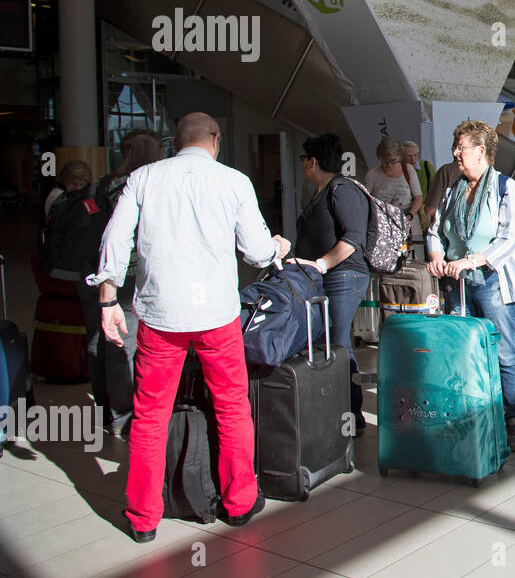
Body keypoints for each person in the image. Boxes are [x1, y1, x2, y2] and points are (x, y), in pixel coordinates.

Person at [88, 112, 290, 542]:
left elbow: (115, 240)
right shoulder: (234, 182)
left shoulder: (143, 178)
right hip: (217, 317)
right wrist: (277, 246)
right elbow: (256, 252)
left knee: (149, 415)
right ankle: (238, 503)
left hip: (160, 317)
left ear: (175, 141)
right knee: (232, 406)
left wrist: (108, 300)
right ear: (215, 139)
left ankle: (143, 518)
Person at [426, 121, 515, 451]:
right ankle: (470, 417)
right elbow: (434, 231)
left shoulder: (506, 187)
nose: (455, 153)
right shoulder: (451, 189)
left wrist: (470, 261)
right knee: (461, 354)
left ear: (481, 151)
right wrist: (436, 254)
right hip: (457, 285)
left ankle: (513, 421)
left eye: (461, 147)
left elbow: (507, 240)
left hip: (492, 283)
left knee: (502, 353)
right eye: (455, 147)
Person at [74, 129, 164, 436]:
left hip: (90, 273)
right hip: (121, 278)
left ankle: (105, 410)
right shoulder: (138, 187)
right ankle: (123, 414)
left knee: (98, 341)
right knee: (120, 345)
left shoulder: (103, 183)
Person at [292, 133, 372, 432]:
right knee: (329, 342)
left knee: (338, 343)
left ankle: (351, 417)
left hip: (344, 276)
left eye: (303, 159)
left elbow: (353, 238)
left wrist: (321, 263)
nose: (302, 164)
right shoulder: (322, 190)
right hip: (327, 278)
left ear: (312, 161)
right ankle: (338, 411)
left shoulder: (342, 189)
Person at [365, 136, 423, 251]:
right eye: (385, 161)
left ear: (399, 158)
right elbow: (365, 201)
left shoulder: (408, 170)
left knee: (411, 255)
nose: (389, 165)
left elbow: (418, 197)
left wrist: (409, 215)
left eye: (393, 161)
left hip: (408, 221)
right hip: (383, 225)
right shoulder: (372, 175)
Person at [403, 139, 438, 239]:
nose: (413, 159)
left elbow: (435, 189)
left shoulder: (426, 166)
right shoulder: (400, 169)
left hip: (425, 211)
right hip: (408, 210)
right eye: (409, 156)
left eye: (415, 155)